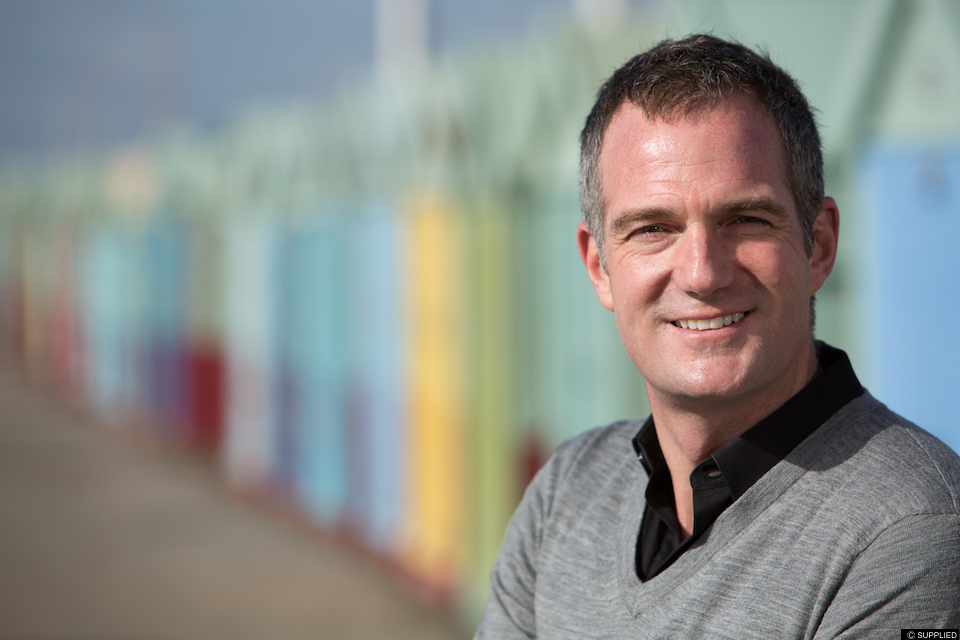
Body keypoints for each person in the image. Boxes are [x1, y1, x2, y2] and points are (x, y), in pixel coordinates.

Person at [475, 34, 960, 639]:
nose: (702, 273)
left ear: (819, 245)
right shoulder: (565, 496)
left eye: (745, 220)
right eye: (653, 229)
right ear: (599, 267)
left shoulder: (910, 530)